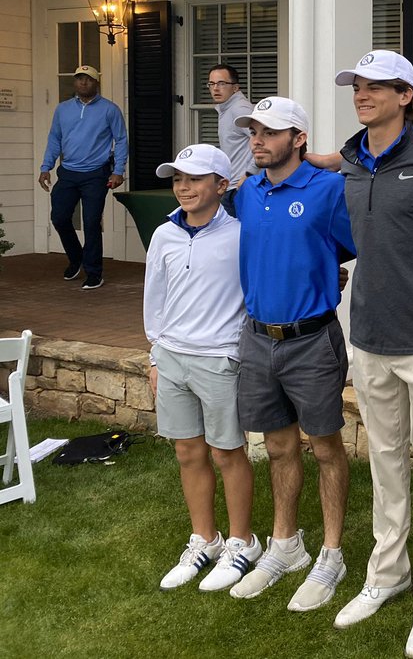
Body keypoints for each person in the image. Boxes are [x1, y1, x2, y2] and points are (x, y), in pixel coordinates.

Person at [329, 50, 413, 657]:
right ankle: (387, 574)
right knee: (385, 464)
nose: (362, 94)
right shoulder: (350, 161)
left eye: (376, 86)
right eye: (357, 85)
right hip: (368, 336)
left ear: (406, 95)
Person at [226, 96, 357, 612]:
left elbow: (351, 244)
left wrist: (326, 268)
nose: (257, 139)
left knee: (325, 448)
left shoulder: (328, 189)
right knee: (278, 448)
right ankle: (286, 545)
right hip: (257, 339)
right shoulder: (246, 192)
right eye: (254, 130)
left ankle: (331, 553)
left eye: (270, 132)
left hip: (312, 341)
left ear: (298, 139)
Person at [143, 143, 260, 593]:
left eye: (193, 179)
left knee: (227, 452)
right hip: (171, 358)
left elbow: (252, 294)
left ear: (221, 184)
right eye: (177, 179)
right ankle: (204, 540)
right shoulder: (163, 235)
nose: (183, 187)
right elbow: (154, 298)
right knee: (188, 453)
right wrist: (155, 354)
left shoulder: (241, 234)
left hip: (219, 358)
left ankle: (241, 542)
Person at [37, 64, 128, 290]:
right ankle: (76, 258)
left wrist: (118, 171)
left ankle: (94, 272)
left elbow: (122, 140)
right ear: (74, 83)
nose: (83, 83)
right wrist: (46, 166)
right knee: (59, 218)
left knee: (90, 223)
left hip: (96, 174)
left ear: (96, 83)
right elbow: (54, 139)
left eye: (88, 79)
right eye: (79, 79)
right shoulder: (62, 109)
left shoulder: (109, 109)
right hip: (68, 172)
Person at [207, 63, 255, 187]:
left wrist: (249, 174)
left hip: (241, 186)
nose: (216, 88)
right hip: (230, 184)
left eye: (222, 83)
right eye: (211, 84)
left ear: (235, 87)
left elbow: (265, 142)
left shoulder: (240, 109)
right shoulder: (226, 108)